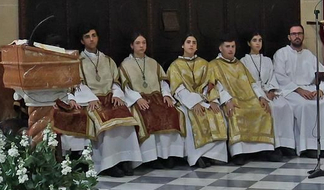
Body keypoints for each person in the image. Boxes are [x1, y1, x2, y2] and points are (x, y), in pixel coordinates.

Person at [54, 27, 144, 175]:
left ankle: (126, 159)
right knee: (107, 122)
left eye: (94, 35)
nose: (91, 39)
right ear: (82, 41)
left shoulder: (108, 60)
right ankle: (110, 163)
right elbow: (77, 84)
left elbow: (116, 81)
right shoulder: (77, 61)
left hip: (109, 97)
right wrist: (90, 98)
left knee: (125, 117)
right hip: (91, 100)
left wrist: (117, 94)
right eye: (87, 36)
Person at [272, 25, 324, 157]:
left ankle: (322, 145)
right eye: (294, 34)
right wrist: (299, 90)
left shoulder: (309, 55)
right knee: (304, 105)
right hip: (290, 91)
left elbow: (322, 73)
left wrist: (320, 90)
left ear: (303, 36)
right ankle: (307, 147)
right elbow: (280, 76)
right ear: (289, 37)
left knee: (322, 104)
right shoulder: (281, 54)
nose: (297, 36)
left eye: (299, 33)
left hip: (309, 89)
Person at [207, 38, 275, 163]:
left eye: (233, 46)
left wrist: (261, 97)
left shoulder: (239, 64)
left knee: (263, 110)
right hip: (231, 100)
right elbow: (216, 86)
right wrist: (227, 101)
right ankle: (239, 153)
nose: (231, 49)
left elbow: (252, 83)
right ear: (220, 48)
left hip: (249, 98)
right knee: (236, 113)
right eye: (227, 46)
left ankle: (264, 150)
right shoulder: (213, 65)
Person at [119, 33, 183, 165]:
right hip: (139, 99)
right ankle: (151, 157)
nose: (141, 46)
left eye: (144, 42)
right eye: (138, 43)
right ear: (132, 46)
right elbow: (126, 87)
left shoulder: (153, 63)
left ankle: (167, 154)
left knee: (170, 112)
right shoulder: (125, 65)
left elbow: (163, 82)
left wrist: (166, 95)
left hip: (157, 97)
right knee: (147, 114)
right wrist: (137, 99)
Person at [166, 35, 228, 167]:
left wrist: (213, 100)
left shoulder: (204, 64)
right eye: (188, 42)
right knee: (191, 116)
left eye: (194, 42)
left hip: (205, 99)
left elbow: (212, 84)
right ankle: (197, 156)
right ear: (182, 45)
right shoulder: (175, 66)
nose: (191, 45)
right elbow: (178, 89)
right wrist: (193, 103)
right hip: (186, 102)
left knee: (217, 113)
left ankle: (213, 155)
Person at [239, 32, 288, 153]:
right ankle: (273, 145)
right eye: (254, 40)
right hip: (254, 93)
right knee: (270, 108)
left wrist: (271, 90)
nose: (257, 43)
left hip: (268, 90)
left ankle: (285, 143)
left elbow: (272, 77)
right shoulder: (243, 61)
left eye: (260, 40)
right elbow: (246, 81)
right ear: (249, 43)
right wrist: (260, 94)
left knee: (283, 105)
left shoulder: (267, 60)